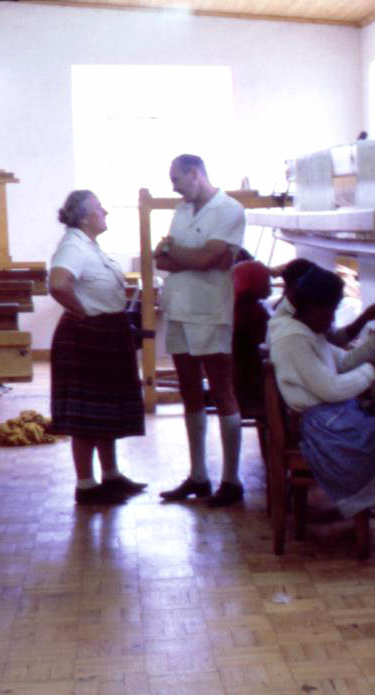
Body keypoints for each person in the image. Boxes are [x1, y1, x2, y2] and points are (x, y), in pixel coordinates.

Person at [269, 266, 375, 520]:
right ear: (310, 307)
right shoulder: (293, 339)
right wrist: (373, 369)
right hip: (324, 430)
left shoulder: (307, 333)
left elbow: (345, 361)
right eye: (329, 310)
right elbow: (331, 388)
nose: (331, 320)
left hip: (332, 418)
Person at [154, 154, 247, 507]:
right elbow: (161, 258)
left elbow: (209, 260)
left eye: (176, 178)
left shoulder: (229, 210)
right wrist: (189, 256)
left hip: (209, 312)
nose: (173, 186)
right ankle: (199, 476)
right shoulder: (182, 209)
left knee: (222, 391)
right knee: (190, 392)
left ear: (195, 174)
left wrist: (177, 252)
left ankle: (232, 480)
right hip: (178, 308)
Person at [48, 189, 147, 505]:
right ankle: (86, 486)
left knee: (107, 409)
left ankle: (111, 476)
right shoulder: (73, 245)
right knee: (86, 415)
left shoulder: (90, 246)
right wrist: (81, 311)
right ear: (84, 216)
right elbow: (58, 283)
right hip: (87, 335)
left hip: (106, 332)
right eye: (99, 208)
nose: (105, 211)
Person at [231, 260, 272, 417]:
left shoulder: (238, 307)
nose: (269, 285)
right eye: (266, 281)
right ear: (255, 282)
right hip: (251, 391)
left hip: (239, 385)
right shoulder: (253, 313)